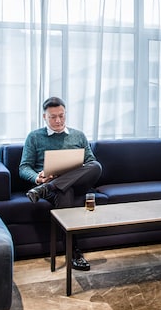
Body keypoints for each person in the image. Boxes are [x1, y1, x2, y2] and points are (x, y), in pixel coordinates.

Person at [20, 97, 102, 271]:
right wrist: (38, 178)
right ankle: (74, 253)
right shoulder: (34, 137)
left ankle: (45, 189)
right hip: (53, 184)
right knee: (65, 191)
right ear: (44, 117)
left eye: (61, 116)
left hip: (77, 182)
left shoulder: (78, 135)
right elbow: (24, 167)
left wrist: (74, 169)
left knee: (96, 166)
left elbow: (91, 161)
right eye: (53, 117)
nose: (58, 120)